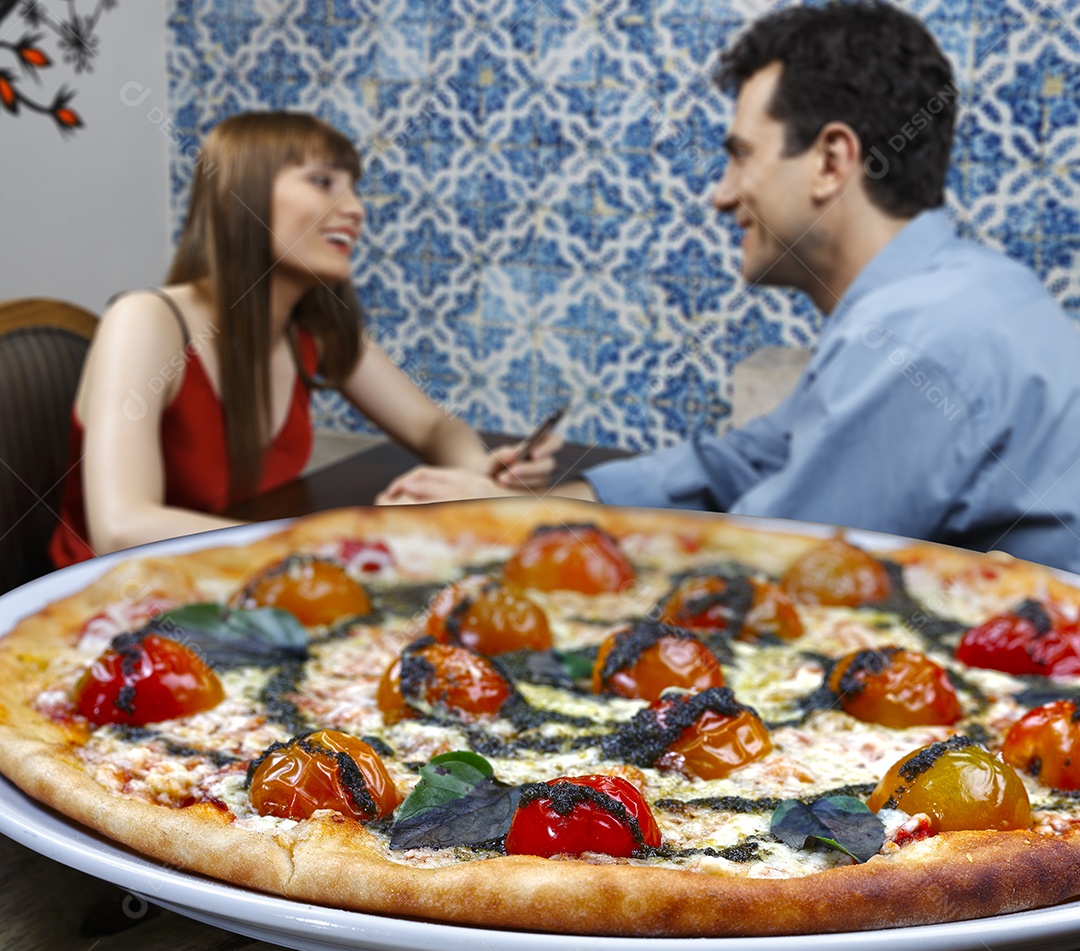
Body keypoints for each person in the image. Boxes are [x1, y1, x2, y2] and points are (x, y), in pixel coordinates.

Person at [376, 1, 1080, 573]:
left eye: (741, 156)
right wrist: (554, 502)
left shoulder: (915, 338)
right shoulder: (962, 289)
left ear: (831, 161)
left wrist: (513, 523)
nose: (721, 195)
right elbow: (750, 456)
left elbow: (760, 573)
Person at [49, 111, 556, 566]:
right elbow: (122, 529)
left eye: (353, 188)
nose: (355, 209)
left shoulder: (310, 328)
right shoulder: (146, 320)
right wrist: (325, 542)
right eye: (323, 181)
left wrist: (478, 471)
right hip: (111, 605)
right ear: (242, 194)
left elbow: (432, 426)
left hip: (233, 581)